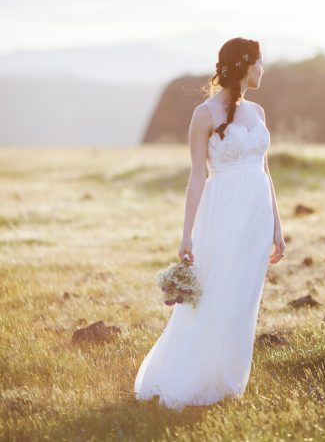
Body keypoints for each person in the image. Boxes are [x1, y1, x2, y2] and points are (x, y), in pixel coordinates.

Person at [134, 37, 285, 409]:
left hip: (257, 215)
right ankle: (190, 376)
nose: (263, 70)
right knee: (216, 294)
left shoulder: (259, 112)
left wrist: (277, 227)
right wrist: (186, 234)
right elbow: (197, 176)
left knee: (244, 298)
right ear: (246, 65)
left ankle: (226, 376)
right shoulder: (204, 114)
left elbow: (265, 172)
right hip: (222, 213)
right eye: (259, 63)